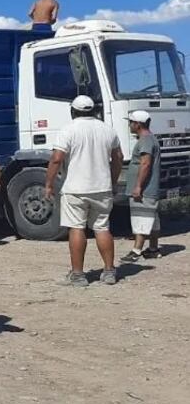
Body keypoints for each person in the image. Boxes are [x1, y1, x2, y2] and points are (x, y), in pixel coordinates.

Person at [44, 95, 123, 286]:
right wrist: (112, 180)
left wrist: (48, 184)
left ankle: (78, 275)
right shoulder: (107, 129)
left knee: (77, 228)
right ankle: (109, 271)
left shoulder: (68, 130)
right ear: (94, 110)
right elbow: (118, 157)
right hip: (102, 187)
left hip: (76, 189)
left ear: (73, 111)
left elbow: (56, 158)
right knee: (102, 228)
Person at [122, 110, 163, 262]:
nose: (129, 125)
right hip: (150, 188)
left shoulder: (145, 140)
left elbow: (145, 164)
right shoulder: (151, 139)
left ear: (137, 124)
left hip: (145, 189)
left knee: (141, 218)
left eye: (130, 122)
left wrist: (138, 186)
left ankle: (136, 250)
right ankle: (153, 248)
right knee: (152, 219)